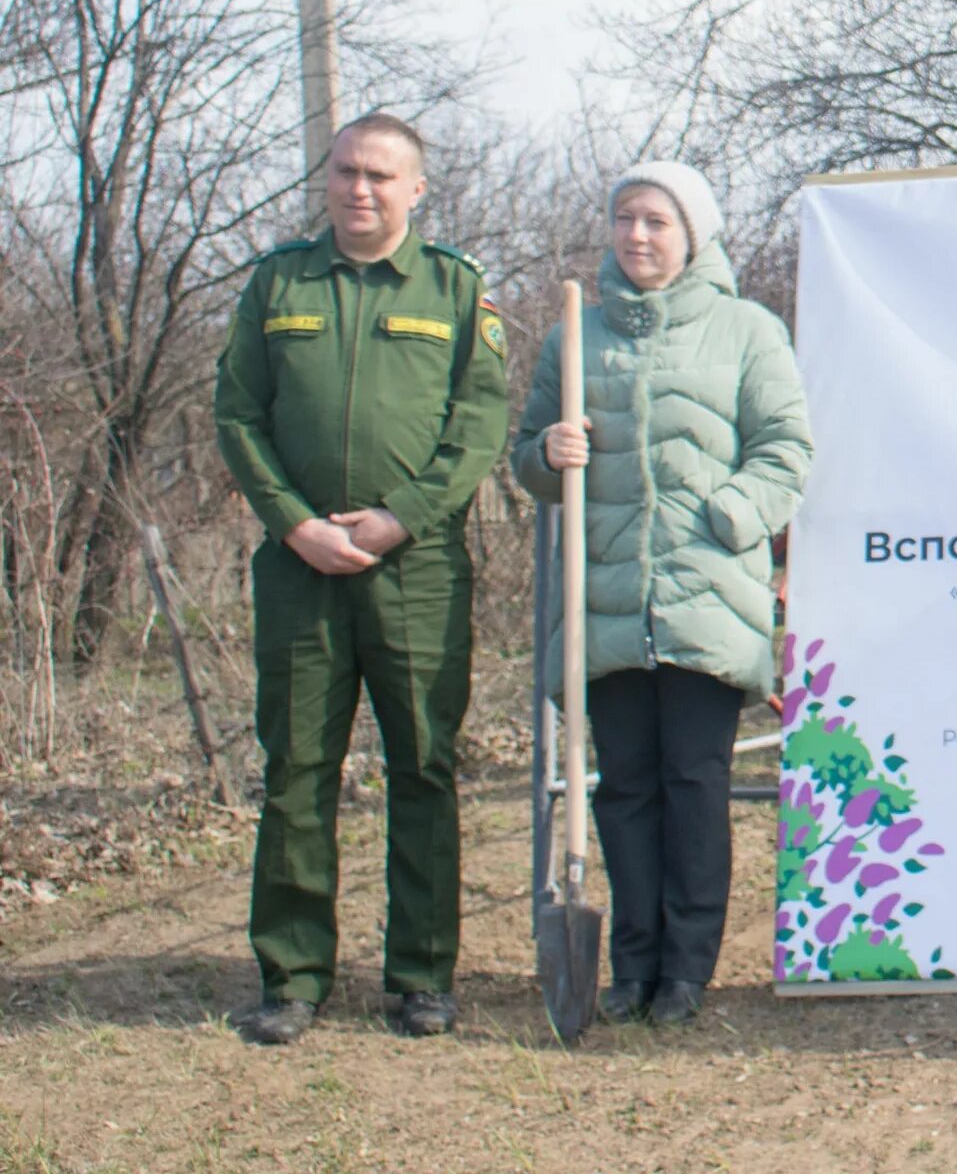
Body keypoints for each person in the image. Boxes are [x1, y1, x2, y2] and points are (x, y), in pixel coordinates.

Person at [213, 114, 511, 1045]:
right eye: (345, 171)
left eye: (381, 175)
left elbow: (478, 426)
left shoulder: (455, 290)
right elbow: (237, 412)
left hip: (415, 570)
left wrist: (399, 519)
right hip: (300, 569)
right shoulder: (279, 282)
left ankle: (421, 976)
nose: (360, 189)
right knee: (298, 769)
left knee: (422, 767)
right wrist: (293, 523)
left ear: (416, 189)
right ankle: (292, 977)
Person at [511, 162, 812, 1027]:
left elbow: (787, 446)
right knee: (622, 788)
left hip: (708, 594)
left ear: (693, 236)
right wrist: (549, 454)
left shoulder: (746, 330)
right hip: (605, 599)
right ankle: (631, 964)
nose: (637, 237)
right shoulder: (577, 335)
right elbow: (527, 454)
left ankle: (687, 969)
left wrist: (733, 513)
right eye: (624, 220)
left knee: (694, 781)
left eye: (656, 222)